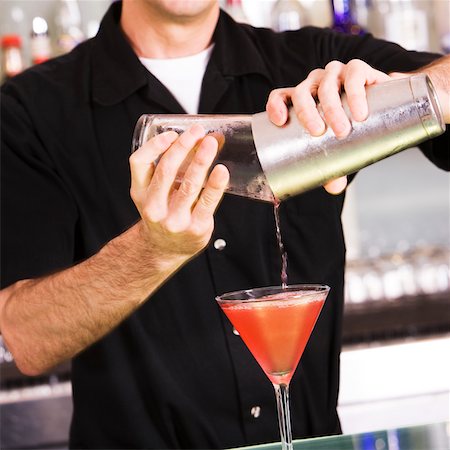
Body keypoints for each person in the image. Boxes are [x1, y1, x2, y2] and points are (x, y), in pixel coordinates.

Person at [1, 0, 448, 448]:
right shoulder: (30, 111)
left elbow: (434, 91)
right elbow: (28, 339)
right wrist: (152, 251)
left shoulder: (312, 61)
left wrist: (408, 92)